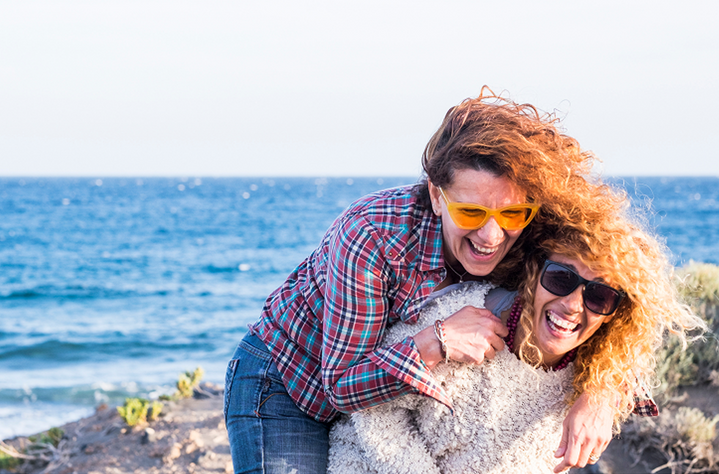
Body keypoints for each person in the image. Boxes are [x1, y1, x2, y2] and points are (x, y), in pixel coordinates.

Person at [223, 88, 653, 473]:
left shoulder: (531, 237)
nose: (490, 236)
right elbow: (340, 385)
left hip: (378, 407)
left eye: (511, 215)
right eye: (469, 213)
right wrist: (437, 340)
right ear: (435, 194)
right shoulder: (373, 235)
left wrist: (602, 393)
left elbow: (622, 302)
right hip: (288, 385)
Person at [326, 207, 705, 474]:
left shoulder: (595, 370)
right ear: (533, 272)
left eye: (599, 296)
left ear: (615, 313)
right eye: (561, 278)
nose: (573, 305)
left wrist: (604, 393)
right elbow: (374, 414)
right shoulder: (464, 322)